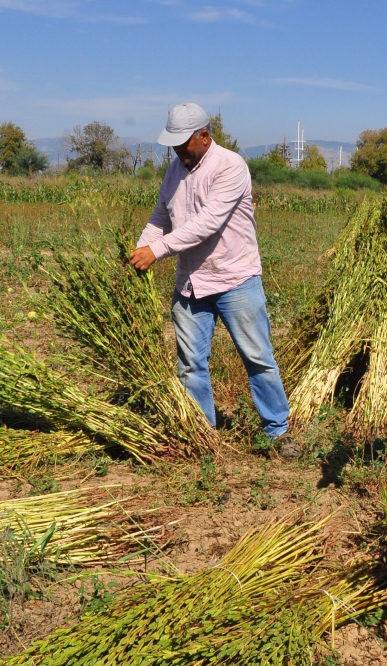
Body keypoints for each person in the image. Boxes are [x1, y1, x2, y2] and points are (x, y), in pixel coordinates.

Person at [128, 102, 299, 458]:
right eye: (173, 143)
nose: (177, 150)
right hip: (191, 284)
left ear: (204, 136)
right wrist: (142, 246)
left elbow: (206, 225)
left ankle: (277, 430)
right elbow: (161, 215)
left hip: (235, 278)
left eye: (183, 142)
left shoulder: (230, 166)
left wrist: (156, 251)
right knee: (191, 364)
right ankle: (201, 434)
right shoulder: (174, 171)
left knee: (258, 357)